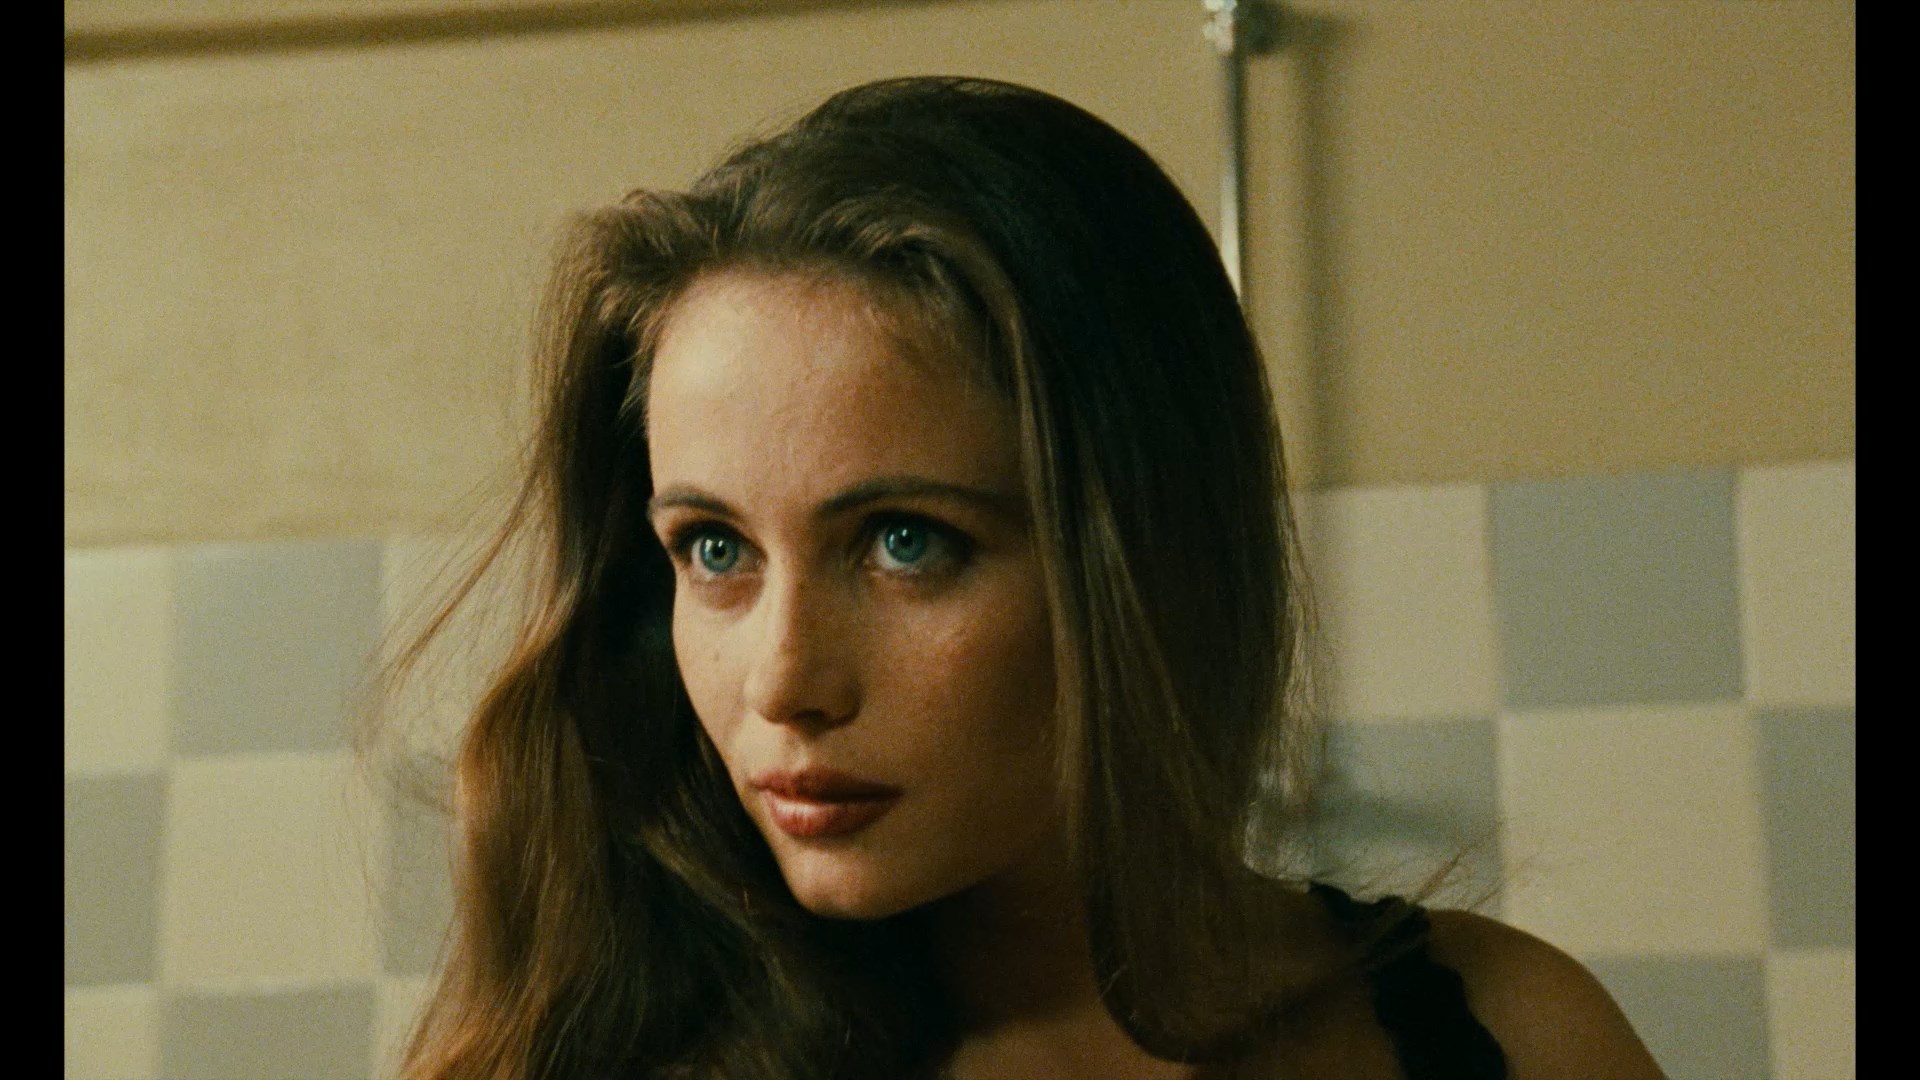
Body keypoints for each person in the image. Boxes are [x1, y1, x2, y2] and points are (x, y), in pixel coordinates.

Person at [387, 76, 1663, 1079]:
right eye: (715, 550)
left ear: (1145, 556)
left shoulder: (1508, 1034)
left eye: (905, 542)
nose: (784, 681)